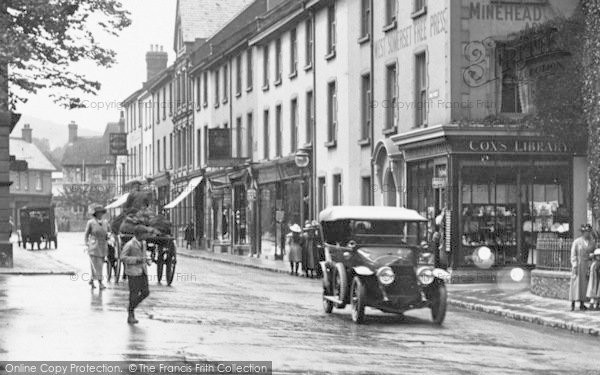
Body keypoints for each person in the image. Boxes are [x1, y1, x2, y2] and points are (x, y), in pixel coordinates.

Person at [121, 225, 151, 324]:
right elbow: (123, 257)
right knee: (134, 294)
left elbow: (143, 255)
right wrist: (136, 260)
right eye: (144, 234)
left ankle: (131, 307)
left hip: (143, 271)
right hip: (133, 272)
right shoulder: (129, 244)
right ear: (139, 234)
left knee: (146, 292)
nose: (146, 236)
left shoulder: (143, 243)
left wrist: (146, 260)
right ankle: (131, 314)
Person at [570, 224, 595, 311]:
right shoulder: (577, 242)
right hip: (578, 265)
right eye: (585, 232)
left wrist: (592, 256)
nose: (587, 234)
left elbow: (594, 252)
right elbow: (573, 254)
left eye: (588, 232)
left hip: (587, 265)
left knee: (584, 285)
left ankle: (582, 303)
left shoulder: (592, 242)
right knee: (575, 284)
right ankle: (572, 304)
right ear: (582, 233)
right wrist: (574, 264)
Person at [84, 205, 109, 290]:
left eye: (102, 213)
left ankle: (92, 279)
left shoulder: (105, 222)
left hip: (103, 246)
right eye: (99, 213)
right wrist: (86, 243)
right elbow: (86, 234)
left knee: (99, 265)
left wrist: (109, 237)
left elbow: (108, 233)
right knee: (96, 265)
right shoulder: (91, 222)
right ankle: (100, 283)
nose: (100, 214)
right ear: (95, 214)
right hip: (94, 245)